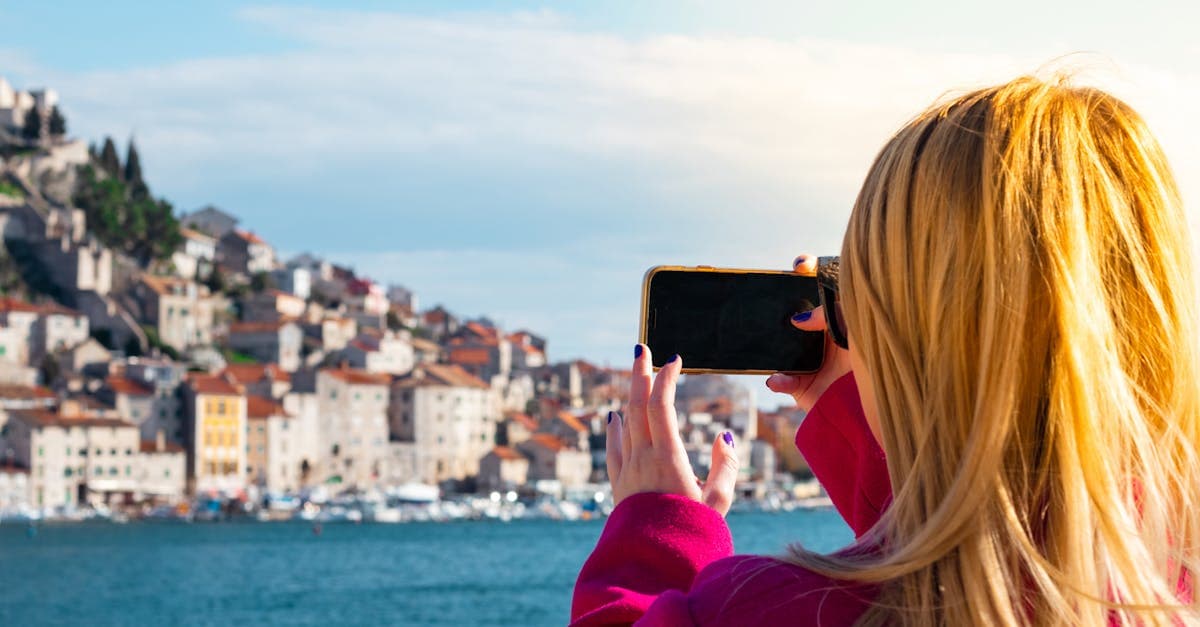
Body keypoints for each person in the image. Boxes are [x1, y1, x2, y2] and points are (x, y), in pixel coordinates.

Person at [571, 75, 1200, 626]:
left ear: (897, 330)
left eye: (855, 297)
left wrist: (656, 531)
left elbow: (914, 590)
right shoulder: (1174, 580)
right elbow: (963, 549)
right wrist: (848, 410)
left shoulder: (761, 610)